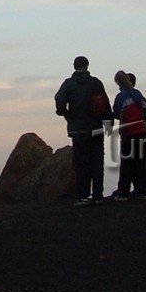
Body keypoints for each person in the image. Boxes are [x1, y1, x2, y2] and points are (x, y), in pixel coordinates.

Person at [54, 55, 113, 204]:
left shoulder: (69, 84)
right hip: (96, 128)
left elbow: (59, 100)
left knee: (81, 163)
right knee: (97, 162)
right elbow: (105, 104)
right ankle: (98, 195)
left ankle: (83, 196)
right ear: (87, 66)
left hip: (78, 130)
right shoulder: (96, 83)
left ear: (74, 66)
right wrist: (108, 125)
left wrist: (65, 114)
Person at [111, 69, 146, 200]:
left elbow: (116, 113)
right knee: (141, 162)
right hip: (141, 131)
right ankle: (145, 191)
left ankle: (124, 193)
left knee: (126, 163)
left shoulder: (121, 96)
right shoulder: (137, 94)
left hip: (128, 132)